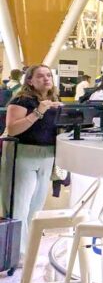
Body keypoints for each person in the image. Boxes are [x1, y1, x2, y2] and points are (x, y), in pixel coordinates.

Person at [1, 65, 62, 260]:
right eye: (41, 76)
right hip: (23, 153)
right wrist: (38, 112)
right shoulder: (21, 100)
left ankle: (28, 251)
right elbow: (12, 129)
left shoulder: (54, 101)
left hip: (47, 155)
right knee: (19, 204)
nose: (46, 79)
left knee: (36, 207)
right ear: (29, 80)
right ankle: (15, 254)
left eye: (49, 75)